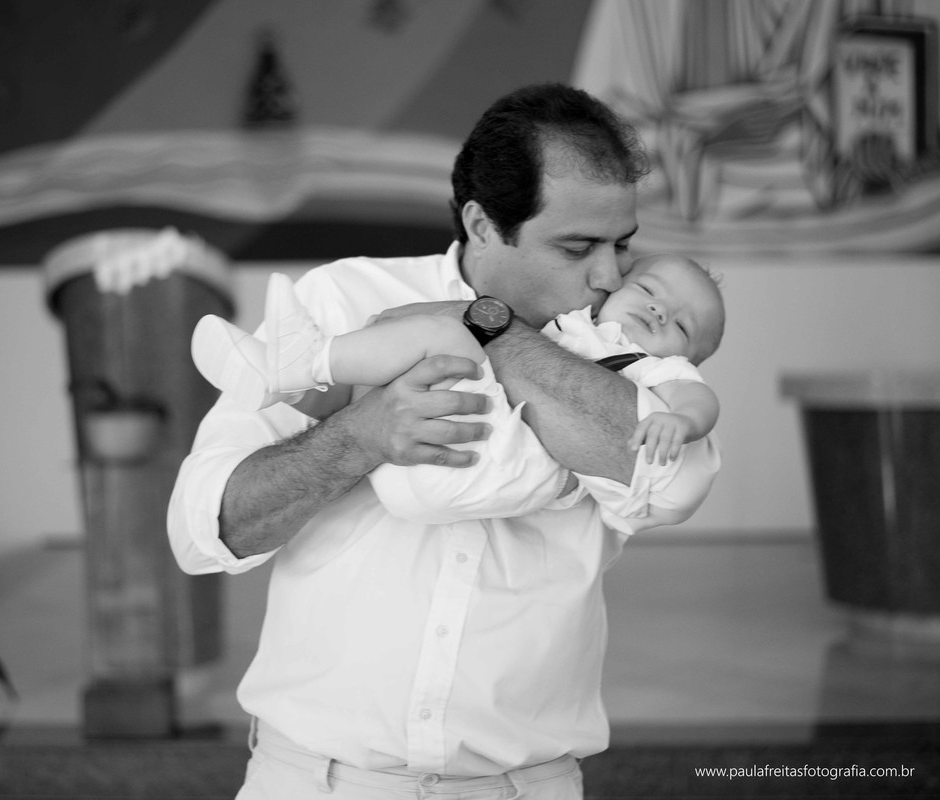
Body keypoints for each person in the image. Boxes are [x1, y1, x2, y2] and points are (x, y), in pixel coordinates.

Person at [168, 83, 721, 800]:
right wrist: (360, 436)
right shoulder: (347, 301)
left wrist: (488, 325)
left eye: (622, 245)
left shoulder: (627, 347)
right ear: (482, 223)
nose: (610, 275)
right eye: (578, 246)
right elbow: (204, 528)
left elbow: (673, 484)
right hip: (316, 784)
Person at [192, 251, 724, 467]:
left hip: (506, 447)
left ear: (689, 355)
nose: (660, 311)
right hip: (479, 410)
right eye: (649, 290)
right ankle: (289, 379)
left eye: (682, 326)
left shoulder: (651, 365)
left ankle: (308, 362)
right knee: (389, 375)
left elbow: (697, 398)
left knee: (438, 333)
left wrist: (682, 421)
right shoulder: (577, 318)